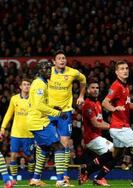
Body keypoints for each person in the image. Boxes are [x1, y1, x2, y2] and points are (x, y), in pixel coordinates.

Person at [102, 61, 133, 187]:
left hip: (121, 126)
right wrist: (114, 109)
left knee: (115, 155)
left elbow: (127, 105)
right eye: (122, 69)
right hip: (120, 127)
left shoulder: (125, 87)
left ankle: (92, 172)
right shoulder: (116, 86)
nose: (125, 70)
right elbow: (105, 102)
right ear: (116, 72)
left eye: (126, 68)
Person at [27, 61, 71, 187]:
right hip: (39, 122)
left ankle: (35, 179)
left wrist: (53, 107)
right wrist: (57, 113)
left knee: (44, 149)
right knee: (60, 147)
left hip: (36, 121)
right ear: (40, 71)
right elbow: (39, 105)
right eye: (45, 69)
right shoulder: (39, 84)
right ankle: (60, 180)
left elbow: (40, 102)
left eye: (49, 68)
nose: (48, 71)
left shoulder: (41, 83)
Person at [48, 50, 86, 184]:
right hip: (49, 112)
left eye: (64, 58)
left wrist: (81, 96)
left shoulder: (72, 72)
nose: (62, 60)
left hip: (65, 113)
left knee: (64, 144)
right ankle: (36, 177)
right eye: (59, 58)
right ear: (54, 61)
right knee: (45, 145)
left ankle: (63, 177)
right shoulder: (48, 72)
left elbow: (83, 80)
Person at [78, 79, 115, 186]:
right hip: (92, 138)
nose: (95, 90)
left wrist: (111, 126)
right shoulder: (88, 104)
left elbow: (100, 121)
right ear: (88, 90)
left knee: (109, 158)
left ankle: (87, 171)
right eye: (93, 88)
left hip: (97, 136)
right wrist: (113, 126)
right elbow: (95, 124)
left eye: (97, 88)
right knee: (115, 152)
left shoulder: (98, 103)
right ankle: (96, 176)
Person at [0, 79, 35, 183]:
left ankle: (31, 178)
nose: (26, 86)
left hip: (29, 134)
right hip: (16, 133)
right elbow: (9, 114)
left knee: (30, 157)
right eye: (24, 84)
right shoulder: (14, 99)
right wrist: (3, 127)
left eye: (28, 85)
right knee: (13, 156)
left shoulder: (34, 99)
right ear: (20, 86)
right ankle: (14, 178)